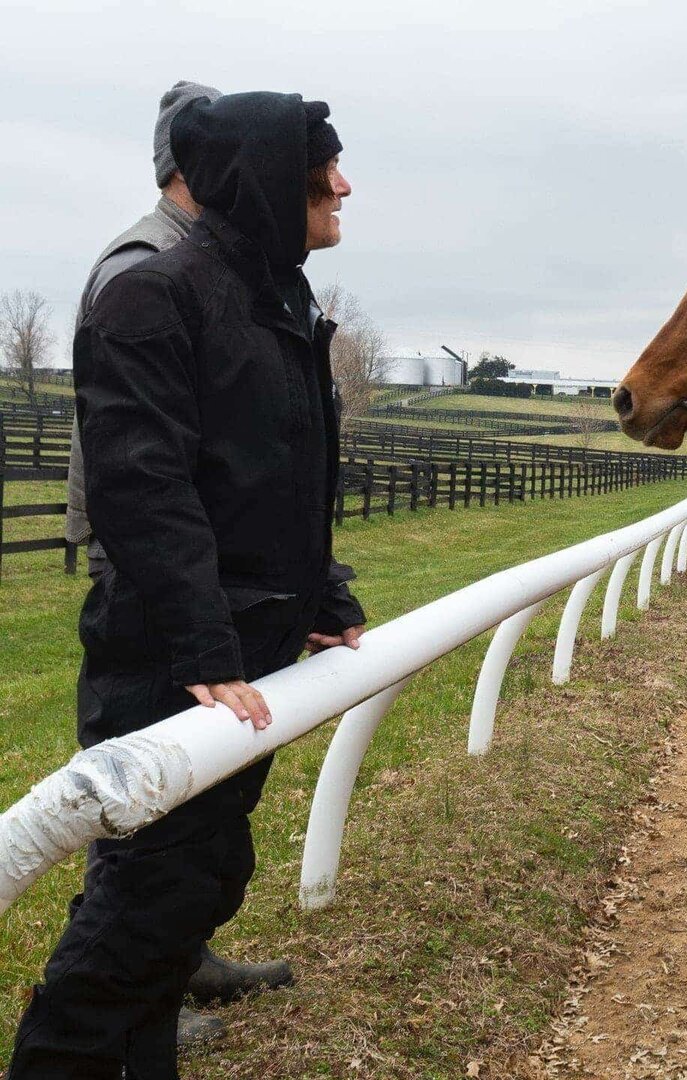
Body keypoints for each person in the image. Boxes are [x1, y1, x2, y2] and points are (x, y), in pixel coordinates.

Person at [11, 89, 366, 1079]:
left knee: (206, 877)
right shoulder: (150, 295)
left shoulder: (286, 303)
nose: (342, 185)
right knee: (145, 900)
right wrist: (205, 647)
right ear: (261, 182)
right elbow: (144, 486)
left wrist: (324, 598)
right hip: (171, 658)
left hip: (248, 649)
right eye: (319, 170)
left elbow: (290, 485)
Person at [59, 78, 302, 1056]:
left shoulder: (223, 265)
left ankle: (185, 959)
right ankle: (137, 1012)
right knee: (148, 819)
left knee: (201, 806)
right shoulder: (149, 263)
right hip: (153, 588)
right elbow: (146, 468)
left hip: (210, 580)